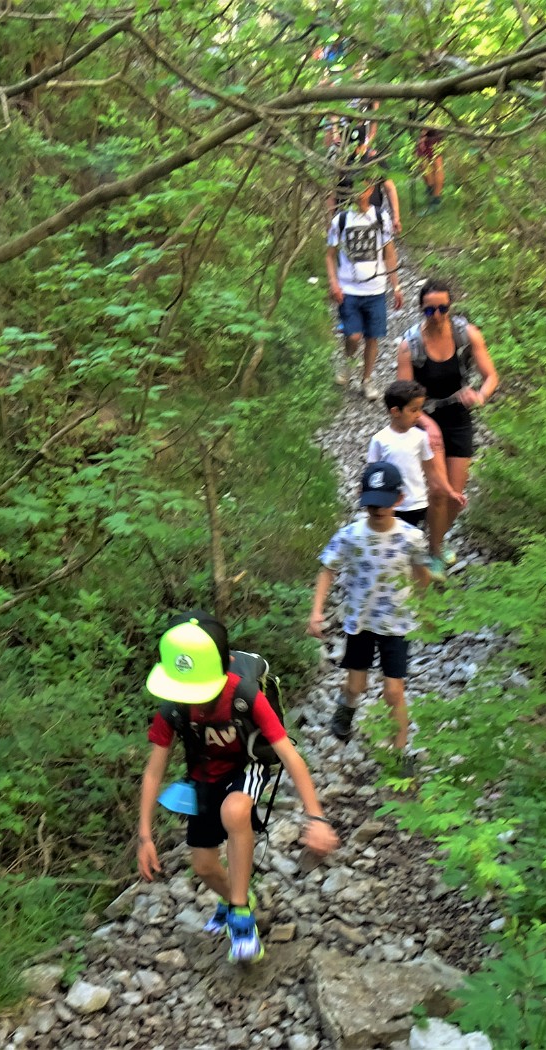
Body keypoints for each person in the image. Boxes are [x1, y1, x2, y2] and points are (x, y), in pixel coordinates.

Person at [137, 611, 340, 963]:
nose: (193, 700)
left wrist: (316, 817)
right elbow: (154, 771)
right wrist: (144, 836)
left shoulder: (243, 695)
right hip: (204, 774)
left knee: (235, 810)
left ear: (226, 666)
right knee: (202, 866)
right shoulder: (173, 707)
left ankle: (240, 915)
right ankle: (237, 896)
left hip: (247, 765)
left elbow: (291, 757)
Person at [307, 462, 431, 776]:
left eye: (385, 501)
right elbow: (327, 569)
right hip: (359, 622)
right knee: (356, 685)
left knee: (394, 690)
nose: (378, 508)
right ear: (361, 497)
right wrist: (317, 612)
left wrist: (427, 607)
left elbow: (421, 573)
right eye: (372, 501)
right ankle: (346, 708)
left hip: (397, 623)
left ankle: (400, 751)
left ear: (399, 499)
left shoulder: (411, 537)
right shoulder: (350, 536)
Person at [395, 279, 498, 579]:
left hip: (458, 416)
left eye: (443, 308)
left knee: (456, 495)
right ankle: (435, 552)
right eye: (430, 310)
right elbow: (403, 394)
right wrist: (427, 424)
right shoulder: (409, 345)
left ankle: (433, 534)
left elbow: (491, 376)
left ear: (451, 308)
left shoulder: (467, 335)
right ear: (420, 310)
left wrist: (479, 395)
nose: (437, 315)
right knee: (440, 493)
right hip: (423, 418)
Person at [327, 165, 404, 400]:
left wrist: (396, 285)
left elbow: (389, 253)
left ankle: (367, 380)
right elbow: (330, 254)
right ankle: (348, 361)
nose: (361, 192)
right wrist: (334, 283)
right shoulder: (340, 220)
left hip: (376, 289)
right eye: (355, 188)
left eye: (365, 187)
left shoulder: (381, 217)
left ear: (371, 189)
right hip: (348, 289)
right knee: (353, 336)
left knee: (373, 336)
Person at [368, 379, 465, 532]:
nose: (419, 415)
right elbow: (373, 474)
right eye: (414, 410)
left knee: (411, 542)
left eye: (421, 409)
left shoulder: (421, 437)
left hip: (416, 503)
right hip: (390, 505)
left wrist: (450, 491)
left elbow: (432, 471)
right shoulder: (379, 440)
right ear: (395, 412)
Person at [415, 127, 445, 213]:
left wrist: (425, 131)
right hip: (423, 131)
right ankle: (431, 194)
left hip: (434, 131)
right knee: (422, 164)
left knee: (437, 165)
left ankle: (435, 201)